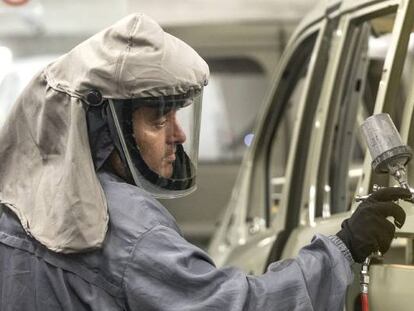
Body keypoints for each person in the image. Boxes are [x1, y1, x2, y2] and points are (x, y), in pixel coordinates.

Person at [0, 13, 410, 311]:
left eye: (178, 116)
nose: (178, 135)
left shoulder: (16, 209)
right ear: (105, 126)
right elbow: (241, 307)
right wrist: (343, 247)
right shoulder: (125, 229)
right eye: (160, 119)